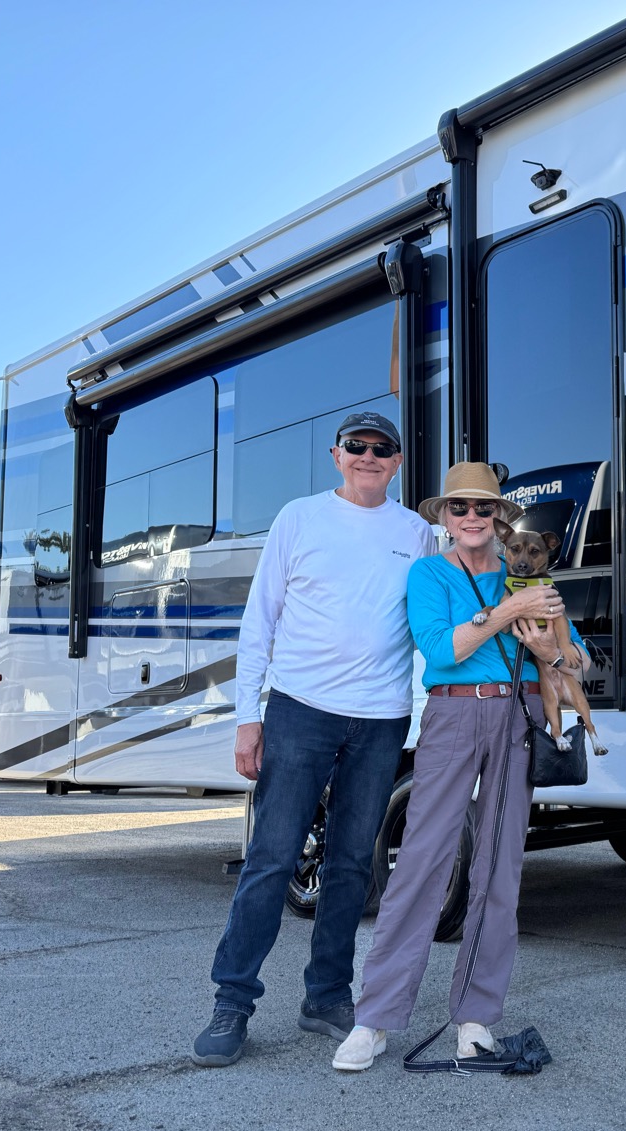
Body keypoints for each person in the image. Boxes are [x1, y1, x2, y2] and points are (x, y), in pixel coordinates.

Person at [192, 411, 438, 1067]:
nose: (367, 456)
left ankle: (327, 996)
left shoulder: (415, 532)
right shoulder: (298, 518)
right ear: (336, 455)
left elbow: (433, 618)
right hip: (299, 711)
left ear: (397, 463)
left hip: (381, 717)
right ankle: (232, 1002)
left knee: (352, 863)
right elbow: (260, 620)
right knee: (272, 858)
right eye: (356, 446)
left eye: (381, 448)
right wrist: (248, 717)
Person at [331, 462, 583, 1072]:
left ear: (500, 517)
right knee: (422, 860)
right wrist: (507, 613)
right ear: (444, 517)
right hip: (452, 713)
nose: (472, 517)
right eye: (459, 507)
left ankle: (476, 1017)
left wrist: (549, 648)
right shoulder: (429, 573)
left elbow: (573, 659)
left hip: (520, 712)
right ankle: (375, 1017)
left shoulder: (530, 575)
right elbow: (442, 649)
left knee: (500, 866)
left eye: (483, 508)